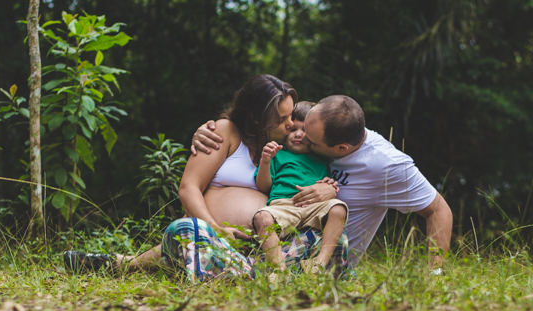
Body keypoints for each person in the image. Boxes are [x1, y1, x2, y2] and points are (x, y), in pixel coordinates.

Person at [63, 74, 342, 280]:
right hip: (211, 237)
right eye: (282, 119)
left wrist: (329, 189)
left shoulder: (294, 149)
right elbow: (188, 188)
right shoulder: (225, 131)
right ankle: (244, 273)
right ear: (257, 117)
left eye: (291, 115)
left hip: (266, 246)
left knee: (335, 241)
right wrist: (215, 227)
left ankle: (244, 272)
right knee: (184, 230)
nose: (291, 124)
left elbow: (316, 180)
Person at [191, 95, 454, 271]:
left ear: (340, 148)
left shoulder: (387, 165)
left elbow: (438, 210)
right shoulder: (321, 125)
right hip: (273, 233)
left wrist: (436, 274)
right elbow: (277, 123)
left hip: (320, 251)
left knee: (201, 248)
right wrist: (212, 129)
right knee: (193, 240)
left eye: (311, 142)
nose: (301, 140)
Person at [252, 101, 348, 273]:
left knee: (339, 209)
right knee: (261, 217)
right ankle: (277, 269)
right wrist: (265, 161)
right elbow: (263, 186)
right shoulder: (278, 155)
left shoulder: (322, 157)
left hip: (313, 207)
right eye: (293, 129)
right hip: (283, 206)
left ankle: (319, 263)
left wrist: (329, 184)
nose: (298, 134)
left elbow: (328, 186)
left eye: (305, 131)